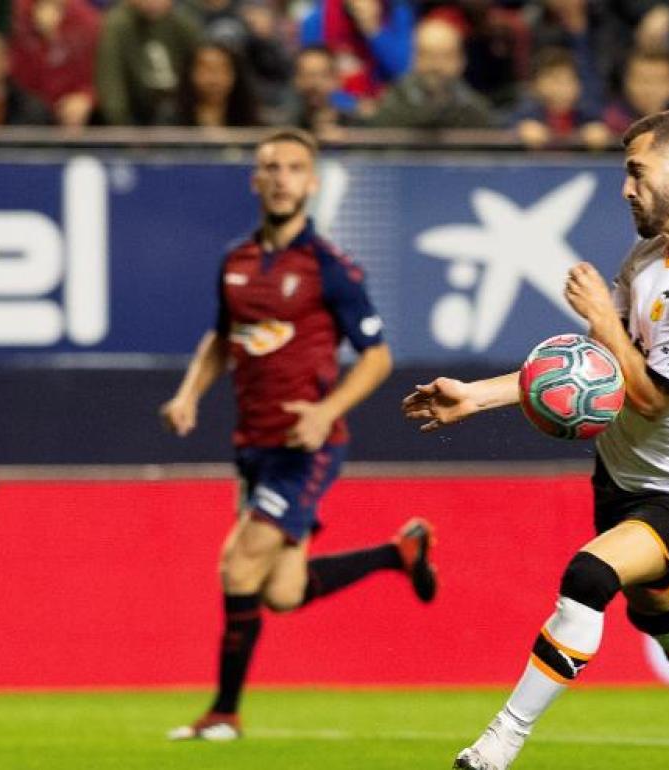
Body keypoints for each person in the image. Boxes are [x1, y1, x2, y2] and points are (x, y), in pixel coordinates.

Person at [403, 107, 669, 770]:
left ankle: (496, 747)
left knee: (588, 577)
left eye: (636, 171)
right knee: (657, 608)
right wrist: (476, 398)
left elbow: (654, 398)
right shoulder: (649, 255)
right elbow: (597, 373)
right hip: (619, 477)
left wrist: (603, 315)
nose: (626, 188)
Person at [160, 128, 438, 741]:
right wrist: (188, 394)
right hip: (252, 447)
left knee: (238, 567)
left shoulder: (330, 269)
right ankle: (399, 554)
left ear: (311, 182)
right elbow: (221, 339)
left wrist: (325, 410)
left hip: (306, 448)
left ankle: (223, 714)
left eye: (293, 167)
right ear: (255, 180)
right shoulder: (234, 263)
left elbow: (377, 356)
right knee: (282, 592)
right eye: (270, 167)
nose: (281, 177)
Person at [369, 17, 494, 129]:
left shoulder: (477, 113)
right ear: (414, 59)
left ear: (461, 61)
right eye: (427, 55)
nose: (436, 66)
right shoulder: (392, 107)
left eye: (446, 56)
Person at [95, 0, 201, 125]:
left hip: (181, 115)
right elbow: (111, 82)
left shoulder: (184, 22)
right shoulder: (117, 25)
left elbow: (201, 71)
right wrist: (122, 127)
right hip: (135, 114)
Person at [9, 0, 101, 128]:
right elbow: (14, 75)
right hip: (26, 110)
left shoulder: (87, 19)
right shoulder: (16, 15)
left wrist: (87, 97)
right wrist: (44, 40)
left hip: (73, 111)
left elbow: (102, 75)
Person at [510, 46, 609, 149]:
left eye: (568, 80)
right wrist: (520, 131)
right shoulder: (525, 115)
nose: (562, 88)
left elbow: (599, 129)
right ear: (535, 85)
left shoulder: (586, 116)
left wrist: (597, 132)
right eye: (555, 80)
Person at [176, 41, 261, 127]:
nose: (214, 80)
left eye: (223, 70)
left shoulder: (254, 122)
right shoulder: (169, 121)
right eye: (206, 69)